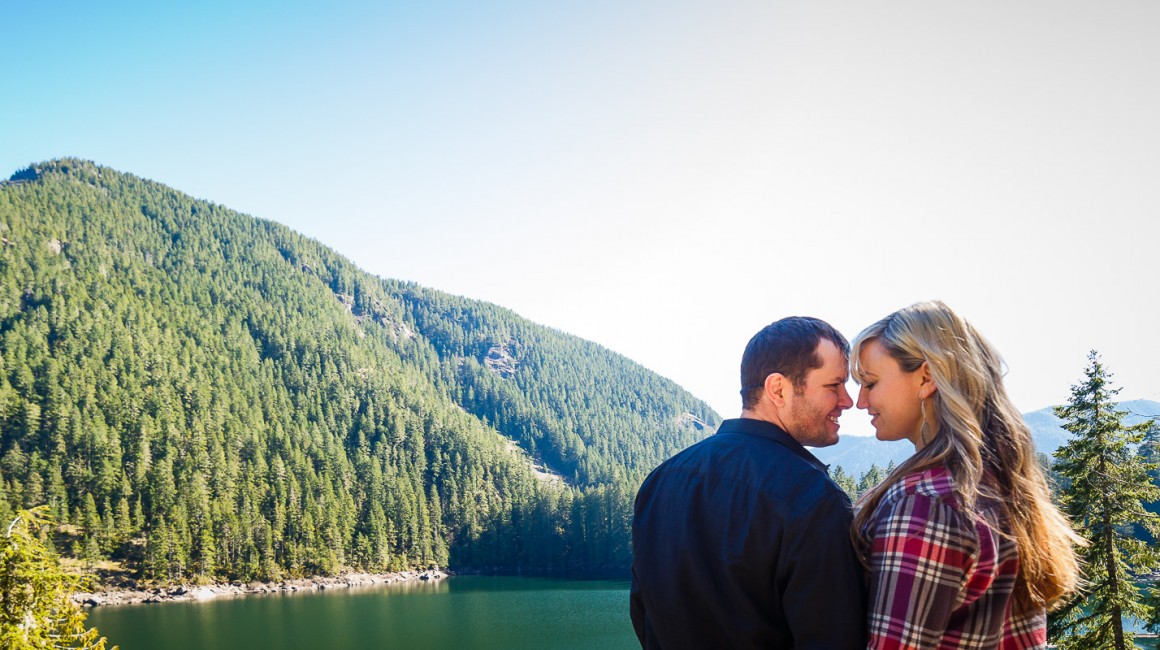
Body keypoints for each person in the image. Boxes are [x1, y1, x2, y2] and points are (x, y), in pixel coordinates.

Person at [849, 301, 1082, 649]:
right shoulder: (998, 485)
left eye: (870, 383)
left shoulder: (925, 506)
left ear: (926, 377)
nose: (860, 402)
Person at [630, 316, 867, 649]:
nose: (848, 400)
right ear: (778, 389)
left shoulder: (660, 481)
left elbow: (644, 615)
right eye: (834, 385)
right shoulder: (813, 499)